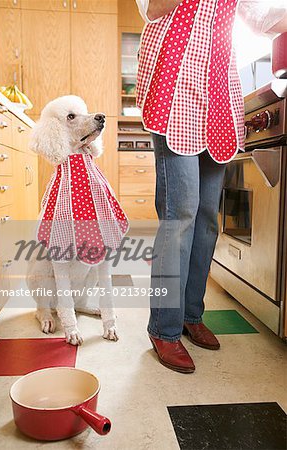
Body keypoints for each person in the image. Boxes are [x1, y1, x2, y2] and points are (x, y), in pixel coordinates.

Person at [135, 0, 287, 373]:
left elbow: (263, 19)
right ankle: (163, 328)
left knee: (206, 219)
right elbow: (151, 9)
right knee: (181, 215)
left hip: (217, 96)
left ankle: (190, 314)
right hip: (175, 89)